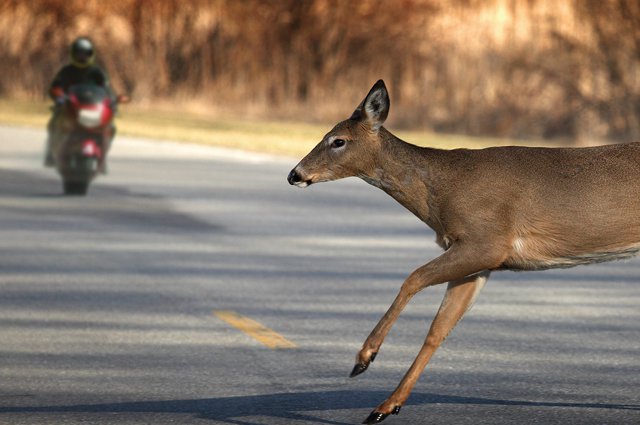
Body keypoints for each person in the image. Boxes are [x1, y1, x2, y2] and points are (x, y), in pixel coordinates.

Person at [45, 37, 116, 167]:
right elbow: (55, 87)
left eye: (85, 53)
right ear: (73, 54)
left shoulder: (97, 72)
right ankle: (51, 153)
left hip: (92, 107)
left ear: (91, 54)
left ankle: (102, 156)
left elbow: (107, 89)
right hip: (69, 106)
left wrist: (112, 101)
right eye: (79, 53)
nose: (82, 56)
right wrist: (59, 96)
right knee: (54, 122)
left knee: (110, 127)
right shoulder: (66, 71)